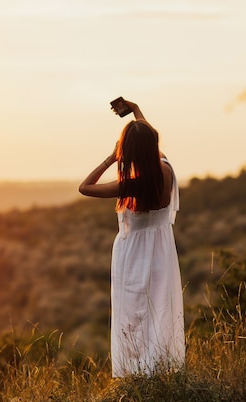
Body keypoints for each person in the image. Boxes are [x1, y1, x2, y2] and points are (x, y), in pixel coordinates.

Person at [79, 99, 185, 377]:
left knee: (133, 314)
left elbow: (85, 187)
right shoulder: (166, 168)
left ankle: (136, 373)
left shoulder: (132, 184)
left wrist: (111, 157)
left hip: (134, 254)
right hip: (162, 251)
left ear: (127, 151)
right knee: (160, 310)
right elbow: (148, 135)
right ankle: (161, 369)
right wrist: (136, 110)